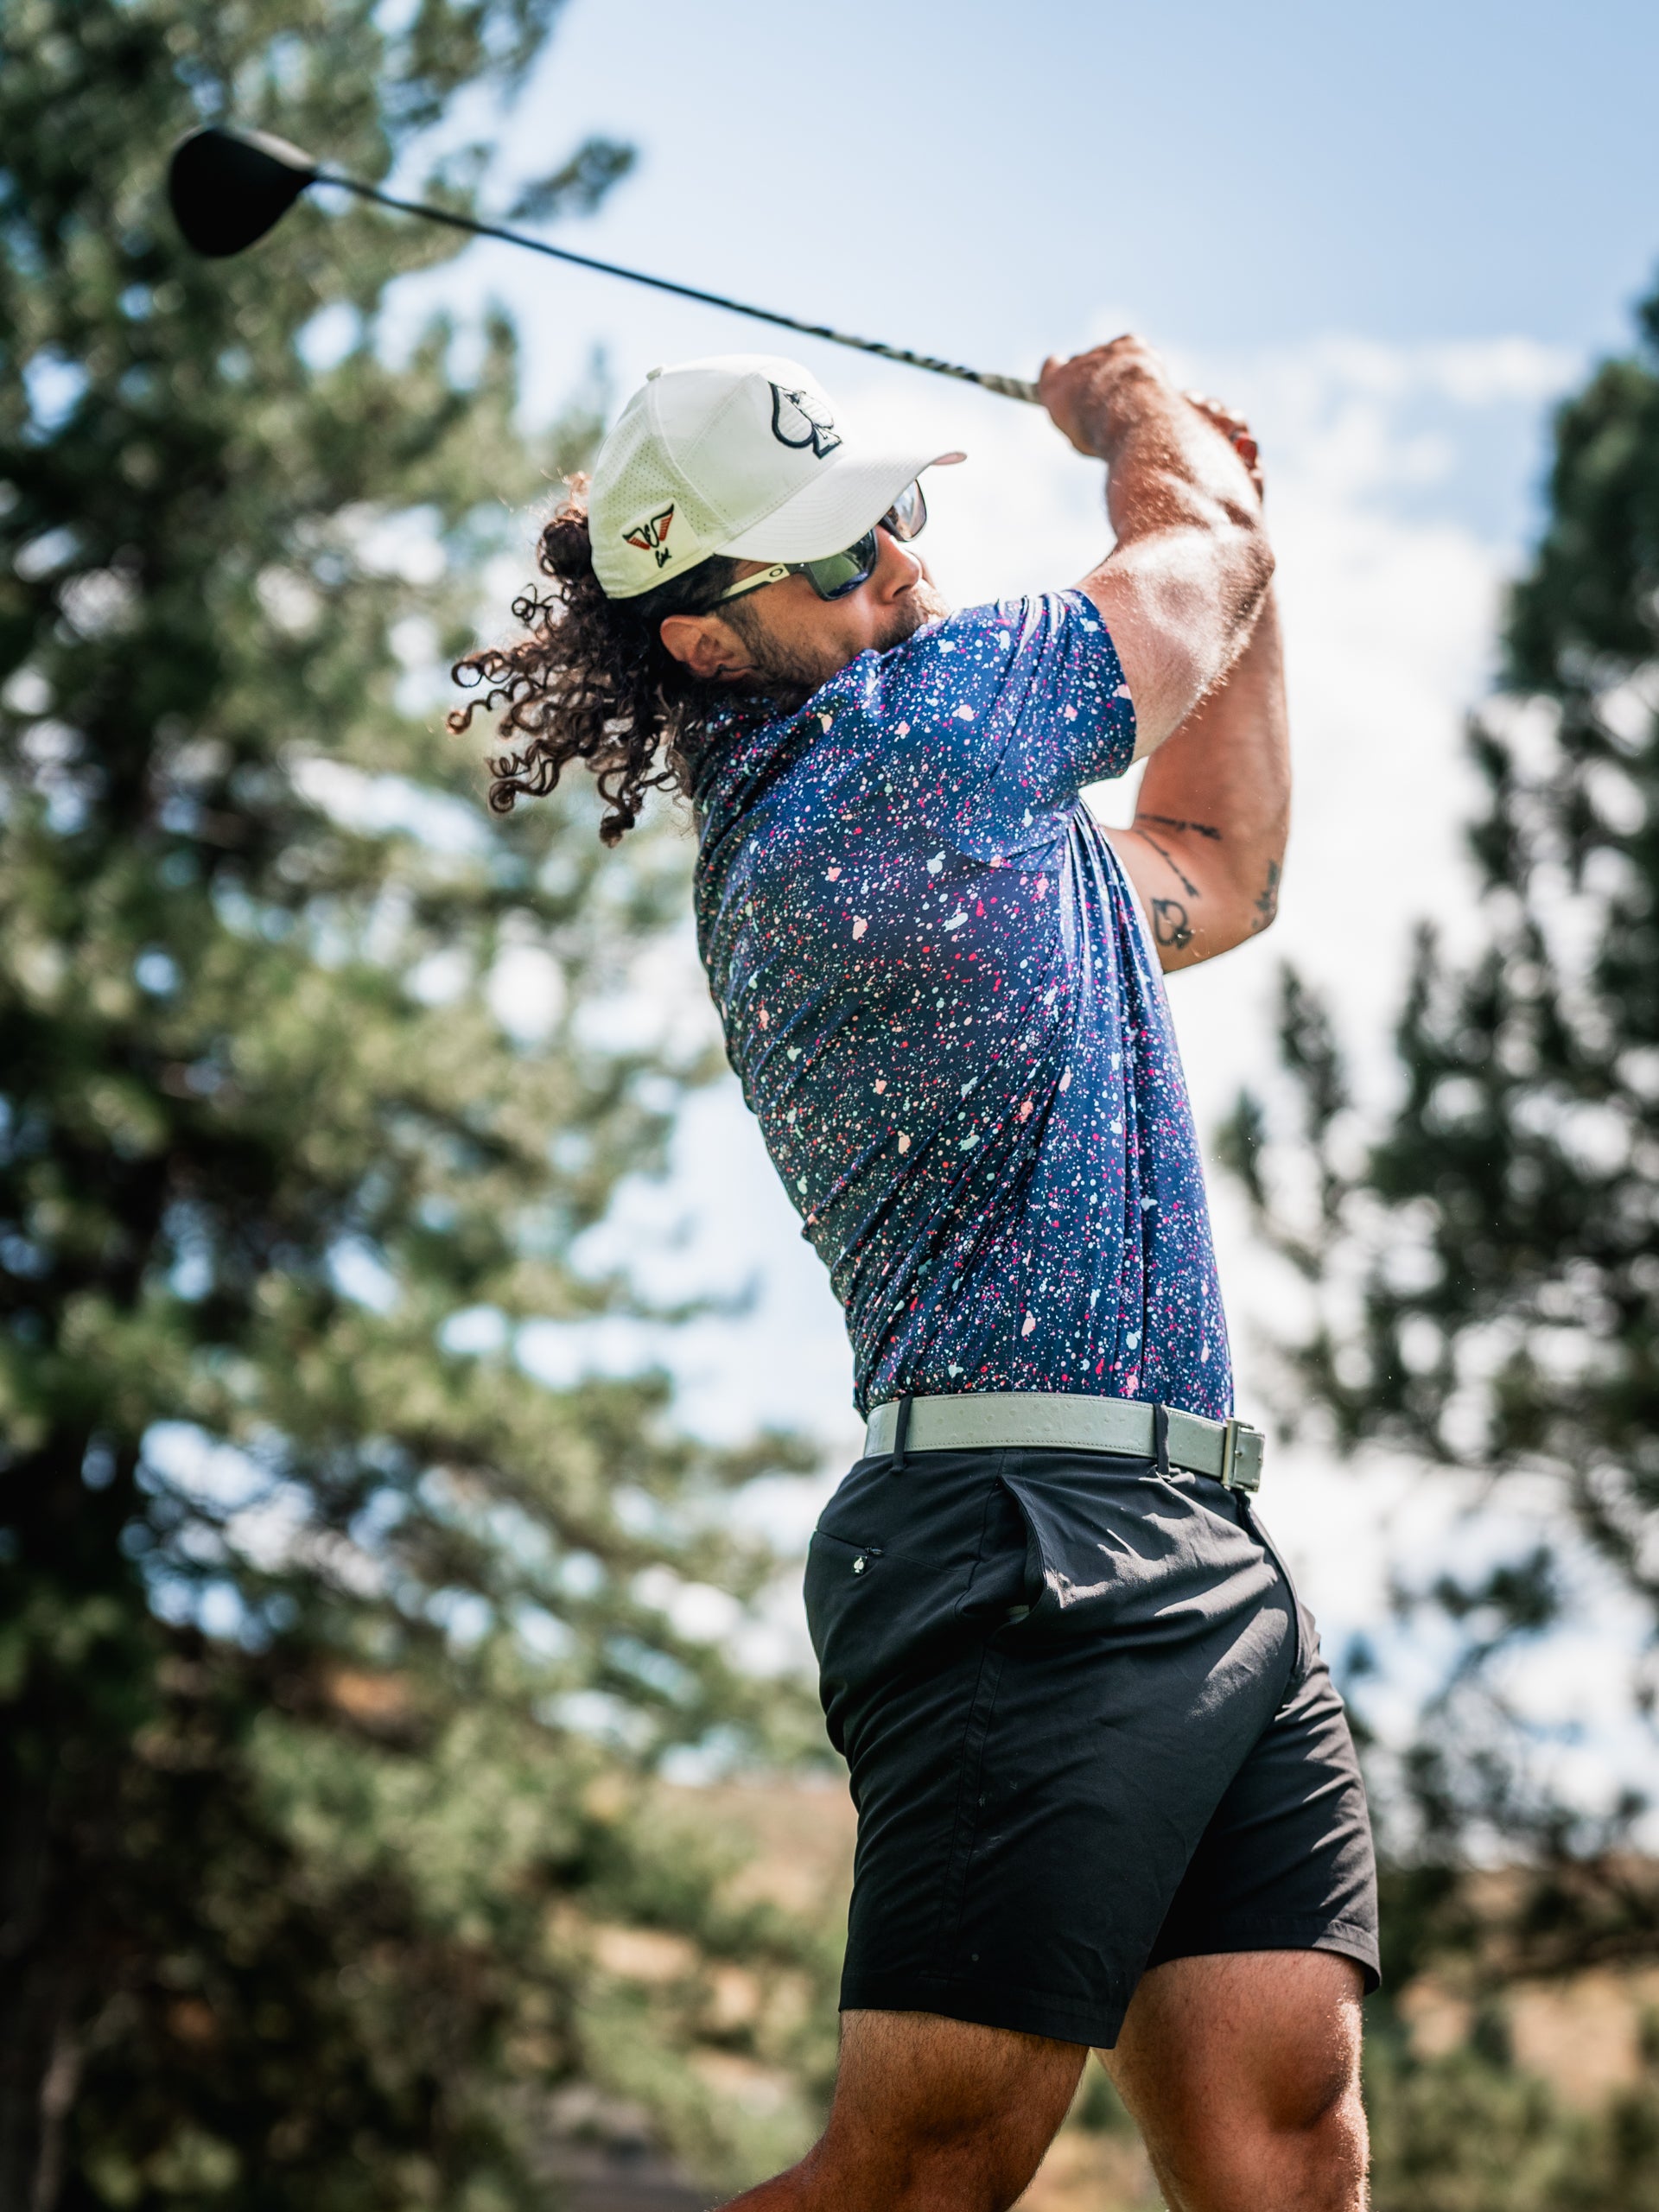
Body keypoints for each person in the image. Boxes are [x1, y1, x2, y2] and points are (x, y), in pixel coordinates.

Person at [452, 339, 1378, 2212]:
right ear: (706, 639)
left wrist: (1237, 521)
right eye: (836, 552)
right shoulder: (901, 755)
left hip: (1192, 1535)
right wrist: (1143, 421)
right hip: (1027, 1539)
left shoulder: (968, 808)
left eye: (900, 508)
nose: (901, 561)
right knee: (921, 2171)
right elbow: (1178, 570)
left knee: (1288, 2141)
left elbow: (1224, 857)